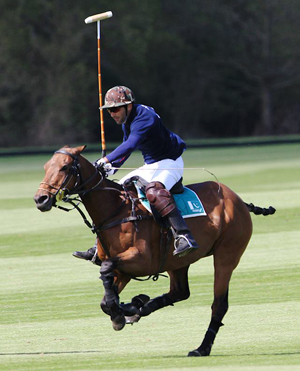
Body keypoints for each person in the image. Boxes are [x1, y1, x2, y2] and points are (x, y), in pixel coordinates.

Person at [73, 86, 198, 263]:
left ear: (128, 106)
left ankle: (184, 237)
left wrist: (105, 160)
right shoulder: (128, 121)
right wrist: (111, 168)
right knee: (115, 192)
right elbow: (126, 147)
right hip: (152, 165)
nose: (112, 113)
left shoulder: (145, 117)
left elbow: (131, 144)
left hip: (171, 162)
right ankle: (99, 247)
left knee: (154, 191)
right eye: (109, 110)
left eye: (115, 109)